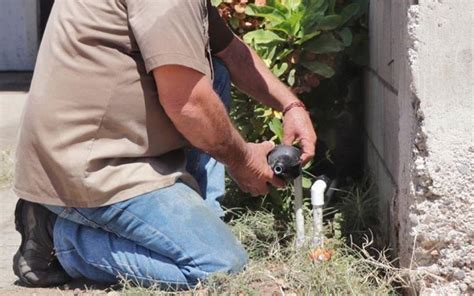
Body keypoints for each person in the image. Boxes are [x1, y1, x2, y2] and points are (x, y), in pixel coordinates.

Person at [12, 0, 316, 289]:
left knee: (215, 70)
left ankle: (197, 219)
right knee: (220, 268)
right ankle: (59, 237)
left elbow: (230, 52)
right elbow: (189, 104)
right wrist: (245, 160)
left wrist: (291, 107)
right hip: (88, 165)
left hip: (108, 144)